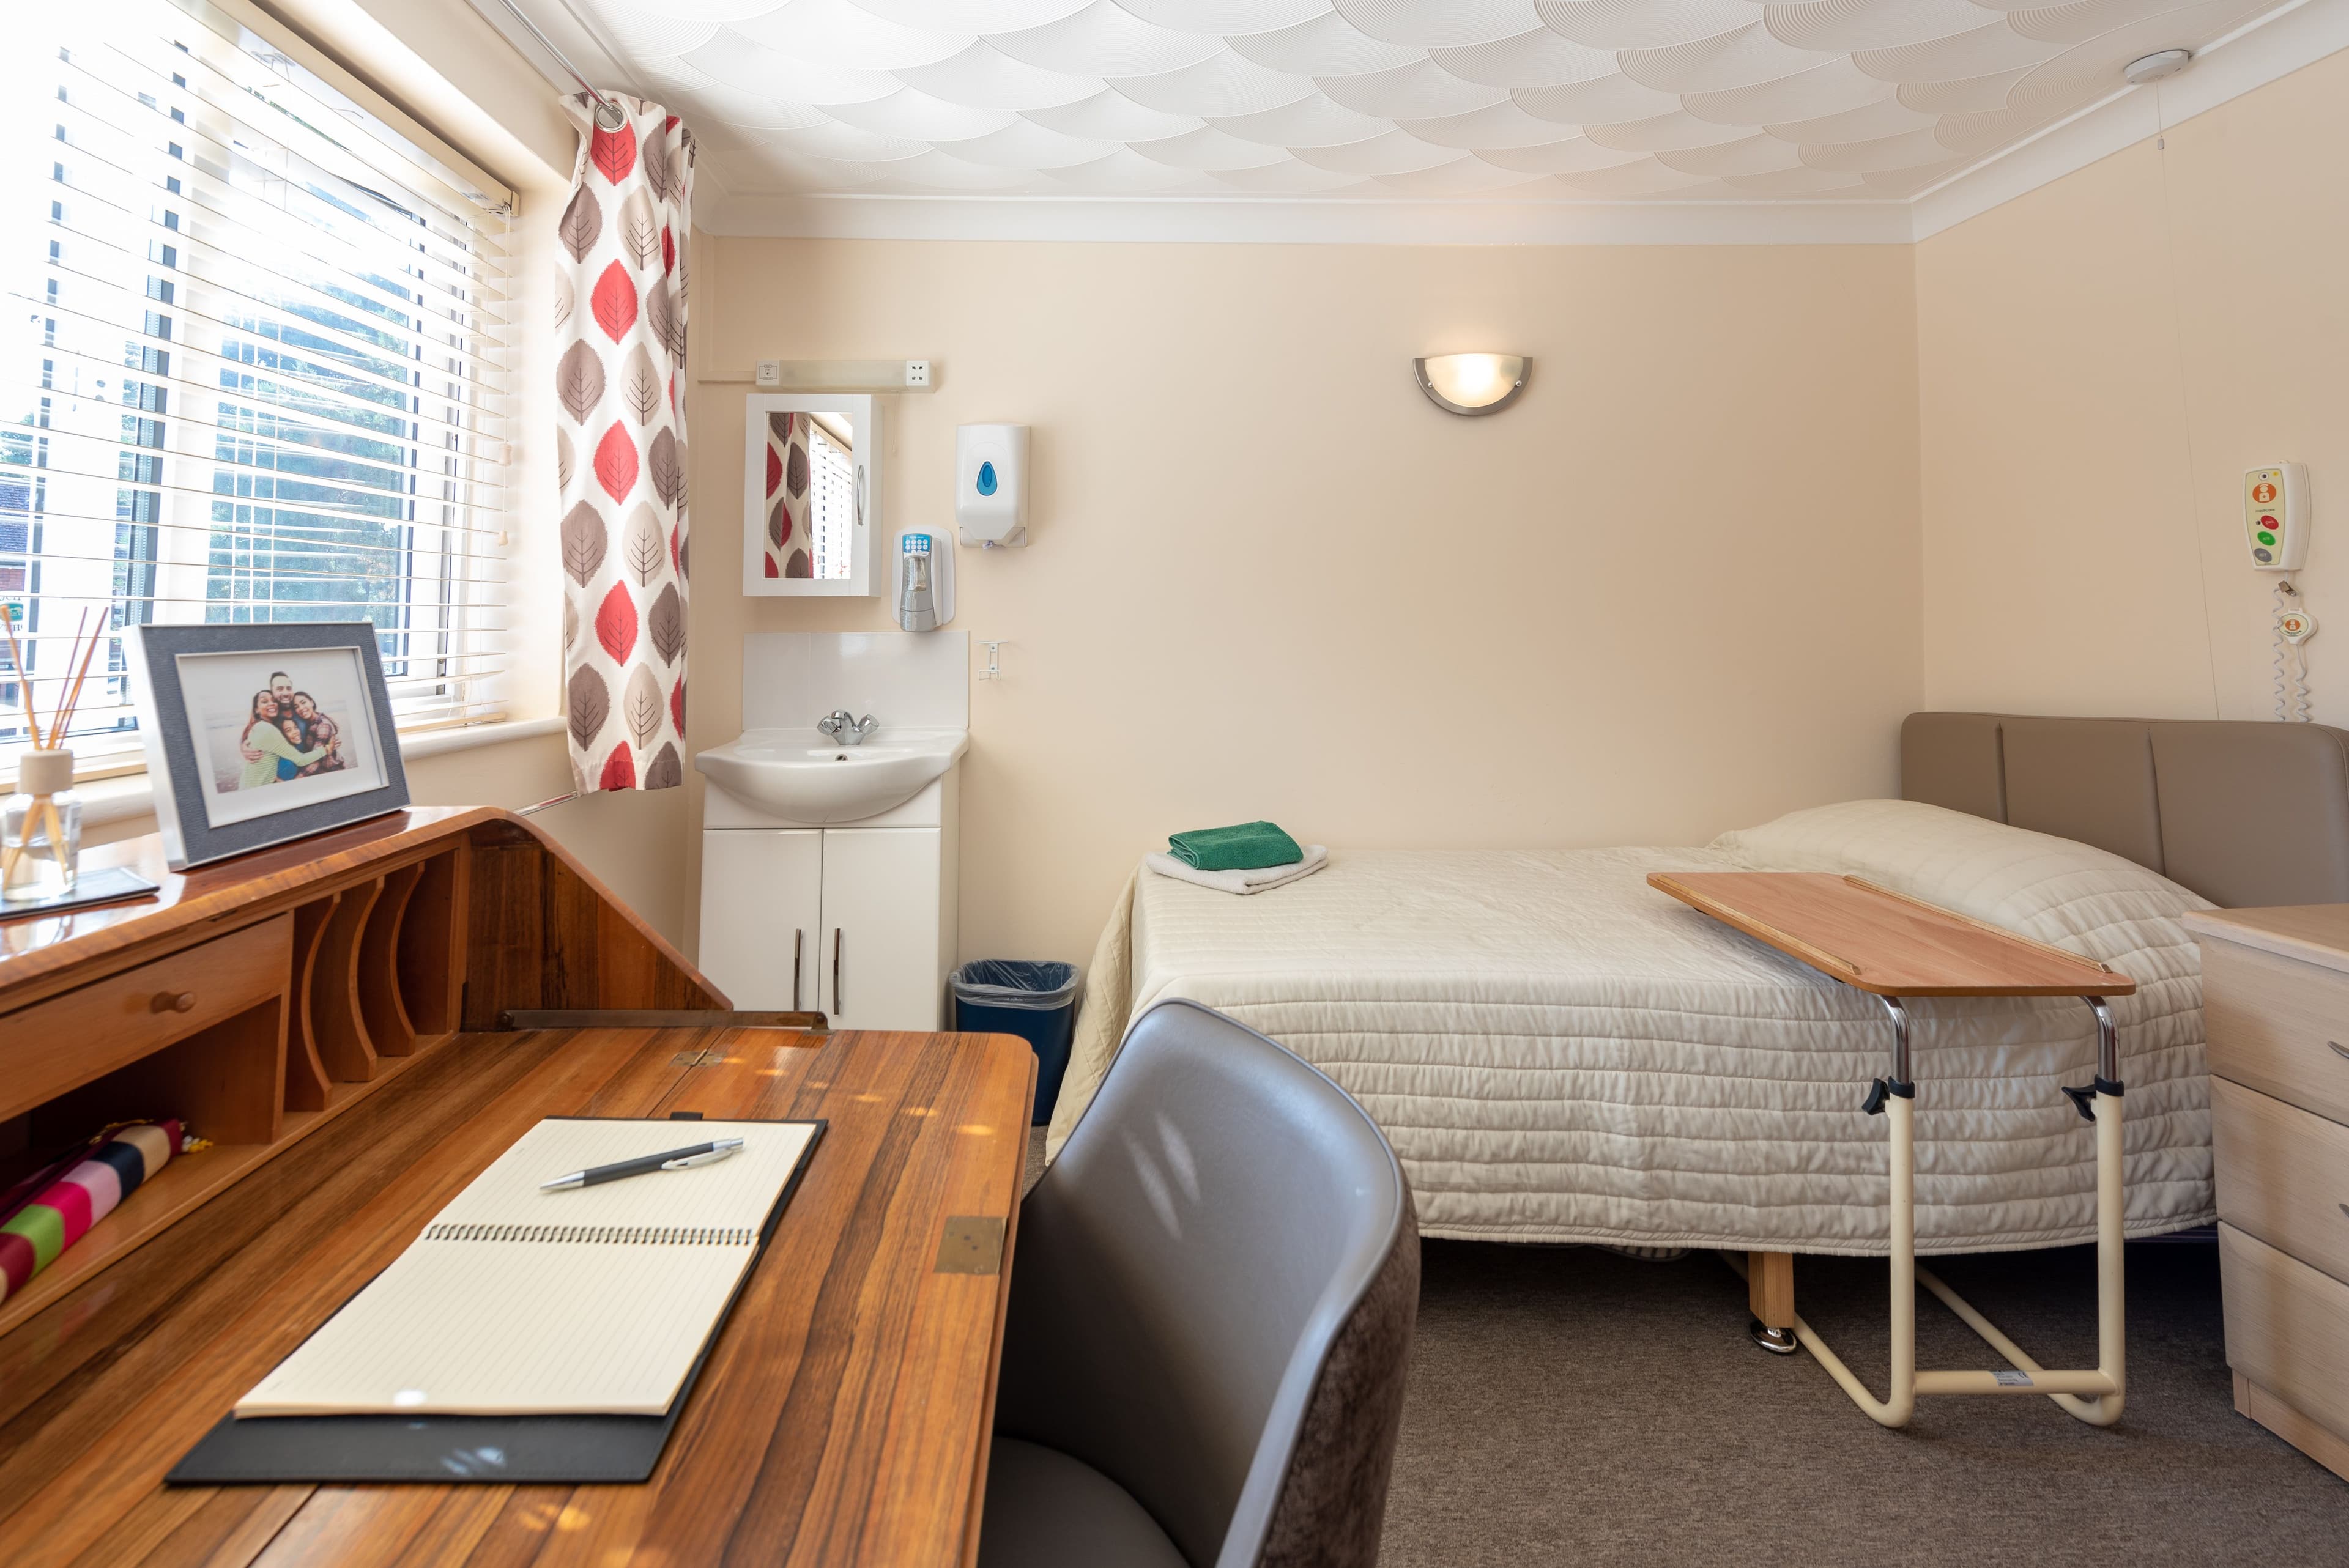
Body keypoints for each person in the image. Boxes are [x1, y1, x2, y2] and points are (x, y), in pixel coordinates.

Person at [236, 690, 330, 788]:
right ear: (256, 710)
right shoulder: (267, 729)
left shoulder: (258, 726)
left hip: (249, 786)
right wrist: (327, 749)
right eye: (265, 702)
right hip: (256, 789)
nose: (271, 704)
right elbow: (301, 760)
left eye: (274, 701)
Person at [291, 693, 344, 774]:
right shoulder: (309, 721)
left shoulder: (323, 725)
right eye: (296, 707)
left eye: (303, 702)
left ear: (311, 702)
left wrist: (299, 777)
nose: (301, 708)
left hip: (330, 772)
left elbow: (317, 758)